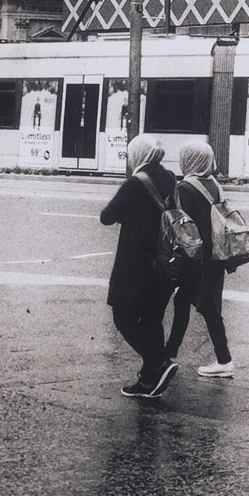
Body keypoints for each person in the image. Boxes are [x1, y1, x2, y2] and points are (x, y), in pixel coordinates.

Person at [100, 135, 180, 399]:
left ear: (138, 154)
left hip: (135, 264)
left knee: (122, 316)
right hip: (165, 261)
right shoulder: (169, 177)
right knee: (152, 318)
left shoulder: (137, 181)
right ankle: (148, 381)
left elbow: (107, 216)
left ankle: (158, 362)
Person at [166, 141, 237, 378]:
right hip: (216, 254)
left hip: (197, 257)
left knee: (207, 308)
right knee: (186, 301)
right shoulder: (213, 184)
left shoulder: (185, 187)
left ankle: (224, 360)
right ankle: (168, 353)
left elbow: (184, 227)